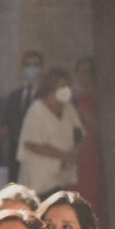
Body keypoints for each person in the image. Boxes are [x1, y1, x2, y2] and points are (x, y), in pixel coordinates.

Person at [17, 68, 83, 198]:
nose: (67, 89)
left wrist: (73, 154)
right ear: (51, 87)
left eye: (68, 85)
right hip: (39, 176)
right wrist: (64, 156)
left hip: (61, 174)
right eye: (62, 86)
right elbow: (32, 143)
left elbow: (80, 135)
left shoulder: (68, 108)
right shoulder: (37, 110)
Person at [70, 58, 105, 228]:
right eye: (81, 72)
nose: (85, 76)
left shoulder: (101, 100)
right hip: (77, 155)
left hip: (94, 154)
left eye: (89, 71)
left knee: (93, 196)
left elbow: (102, 128)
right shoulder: (75, 99)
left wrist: (83, 114)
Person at [3, 49, 44, 180]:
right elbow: (7, 122)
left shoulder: (46, 95)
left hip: (39, 153)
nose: (31, 68)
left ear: (41, 68)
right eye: (28, 65)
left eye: (35, 65)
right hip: (16, 154)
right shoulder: (14, 96)